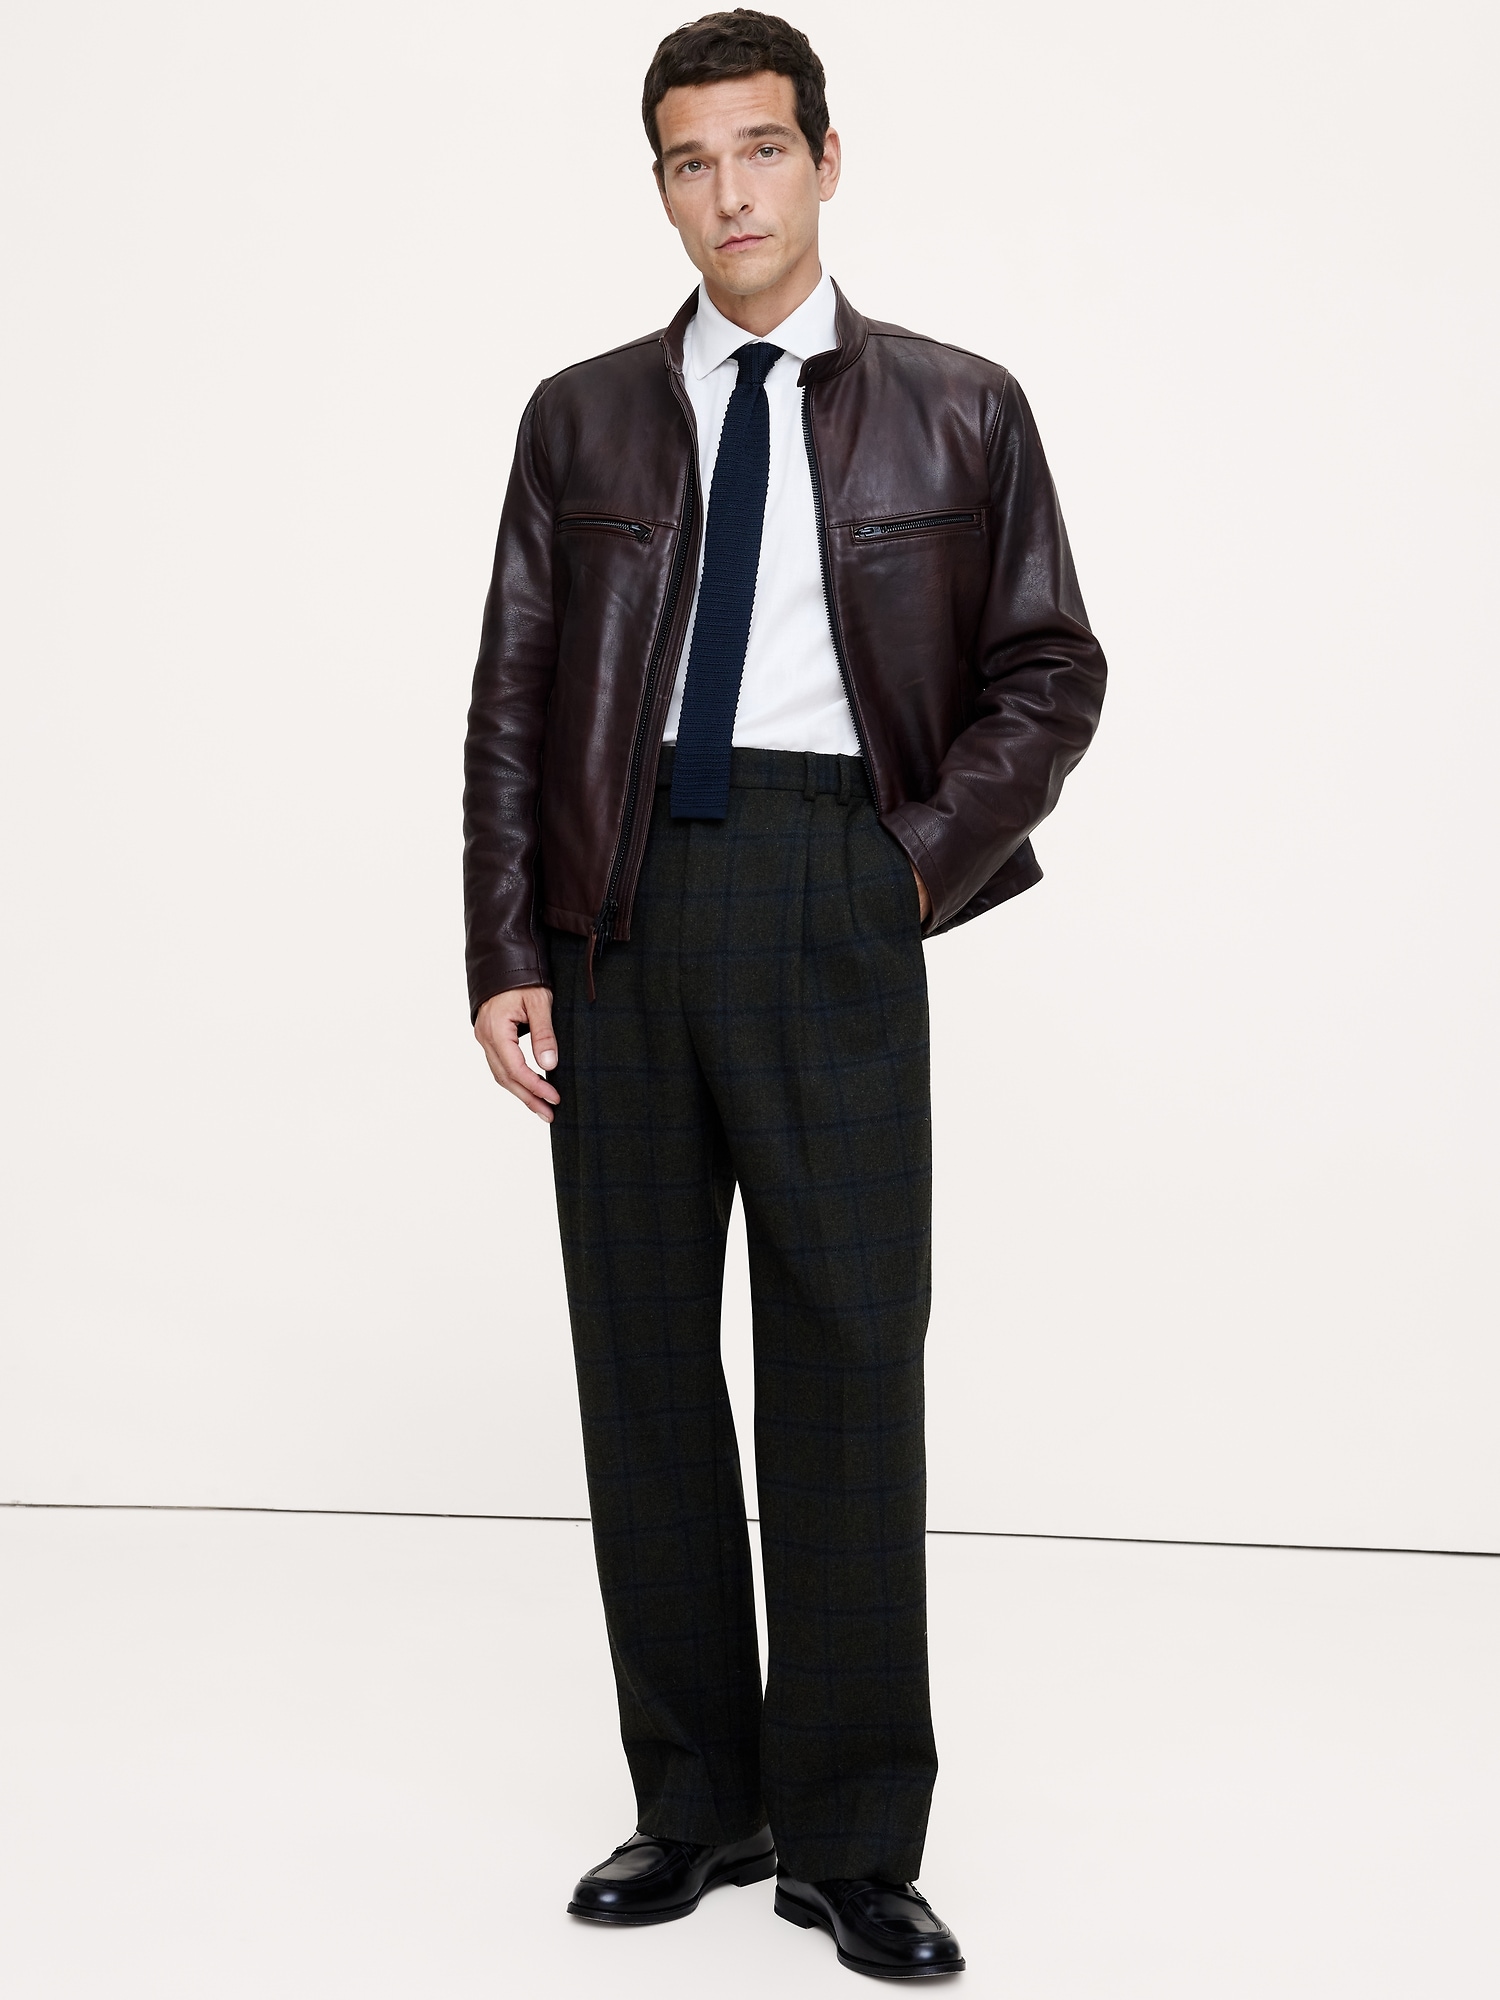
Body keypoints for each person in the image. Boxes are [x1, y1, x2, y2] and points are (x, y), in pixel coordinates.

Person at [463, 9, 1105, 1979]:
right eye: (690, 160)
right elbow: (510, 697)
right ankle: (694, 1803)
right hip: (618, 905)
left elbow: (1050, 671)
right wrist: (505, 946)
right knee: (643, 1365)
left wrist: (906, 866)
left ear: (828, 158)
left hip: (837, 877)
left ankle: (850, 1837)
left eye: (759, 149)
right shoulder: (581, 417)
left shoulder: (961, 409)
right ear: (660, 186)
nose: (727, 191)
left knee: (846, 1362)